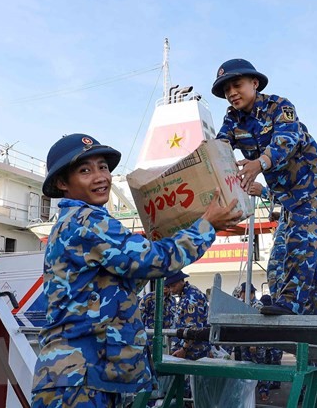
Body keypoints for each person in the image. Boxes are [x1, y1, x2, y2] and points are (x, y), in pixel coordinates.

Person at [31, 133, 243, 408]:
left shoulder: (79, 222)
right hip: (79, 379)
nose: (100, 177)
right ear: (62, 183)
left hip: (83, 376)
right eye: (85, 170)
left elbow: (134, 274)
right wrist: (206, 225)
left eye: (103, 167)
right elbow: (154, 260)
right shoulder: (87, 221)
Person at [212, 58, 317, 316]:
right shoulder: (233, 119)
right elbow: (220, 146)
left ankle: (291, 304)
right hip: (286, 195)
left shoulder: (279, 106)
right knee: (296, 251)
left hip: (310, 185)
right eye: (226, 90)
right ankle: (316, 310)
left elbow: (287, 139)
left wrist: (260, 162)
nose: (232, 93)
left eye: (237, 85)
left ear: (254, 83)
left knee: (301, 244)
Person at [166, 270, 211, 361]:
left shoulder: (192, 297)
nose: (171, 290)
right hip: (186, 347)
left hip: (192, 350)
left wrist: (184, 349)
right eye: (169, 287)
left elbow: (192, 327)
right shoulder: (184, 295)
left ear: (182, 281)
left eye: (173, 286)